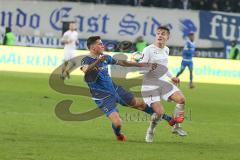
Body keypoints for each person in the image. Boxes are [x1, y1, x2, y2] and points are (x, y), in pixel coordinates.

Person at [80, 36, 177, 141]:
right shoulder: (86, 59)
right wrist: (98, 61)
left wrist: (141, 64)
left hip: (116, 89)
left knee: (140, 104)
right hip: (103, 97)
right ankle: (119, 135)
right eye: (100, 44)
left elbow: (123, 63)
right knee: (117, 123)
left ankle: (168, 118)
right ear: (93, 47)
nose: (103, 45)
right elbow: (86, 70)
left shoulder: (105, 57)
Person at [140, 26, 187, 143]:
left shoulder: (166, 49)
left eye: (163, 34)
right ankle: (150, 130)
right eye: (158, 33)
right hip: (149, 84)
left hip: (163, 82)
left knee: (181, 99)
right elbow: (142, 70)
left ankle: (176, 127)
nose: (160, 35)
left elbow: (164, 67)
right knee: (159, 113)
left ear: (167, 37)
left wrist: (172, 77)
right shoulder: (148, 50)